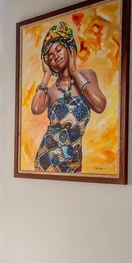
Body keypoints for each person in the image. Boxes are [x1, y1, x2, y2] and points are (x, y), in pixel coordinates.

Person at [31, 21, 107, 173]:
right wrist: (46, 75)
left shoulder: (87, 76)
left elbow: (100, 105)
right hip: (46, 159)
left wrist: (74, 71)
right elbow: (36, 108)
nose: (55, 57)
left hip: (73, 160)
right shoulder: (51, 90)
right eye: (50, 57)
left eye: (58, 50)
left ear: (69, 48)